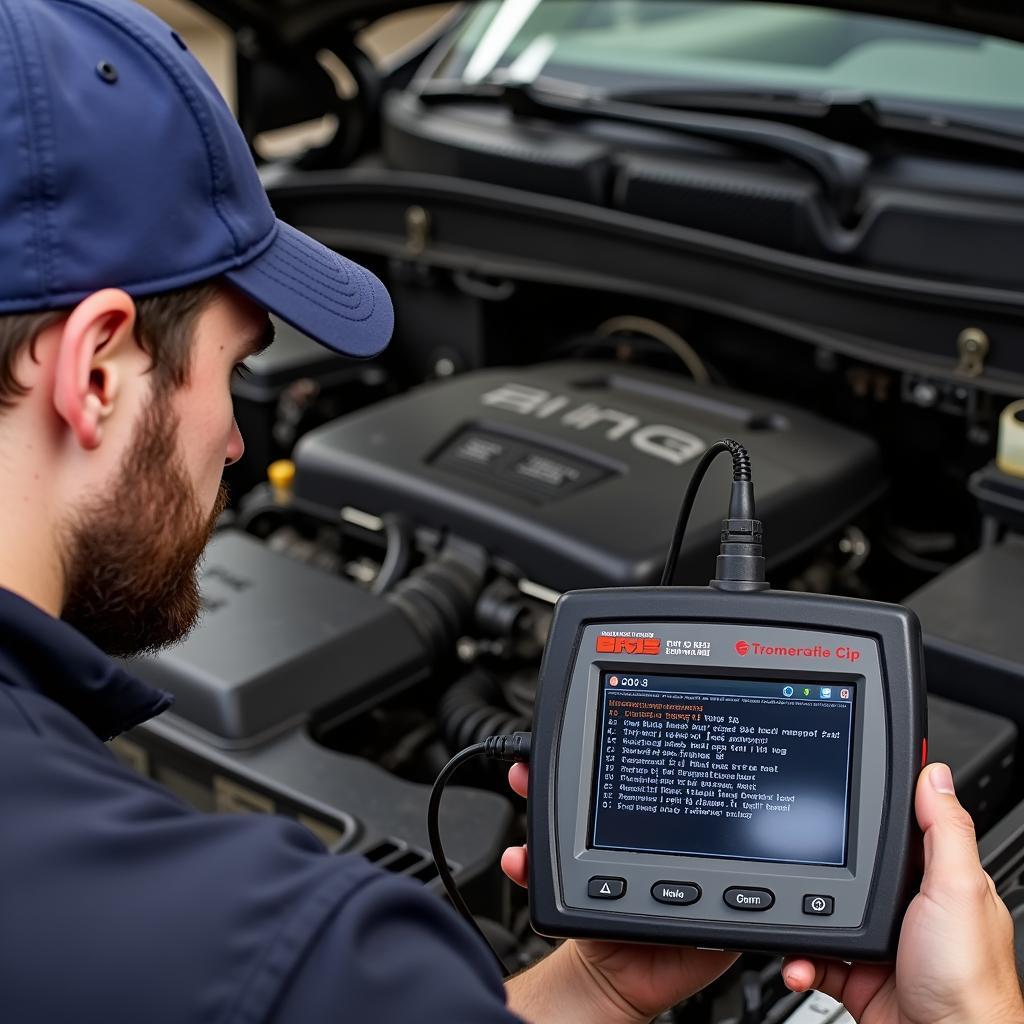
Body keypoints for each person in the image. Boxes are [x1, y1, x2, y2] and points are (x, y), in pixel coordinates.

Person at [0, 1, 1019, 1022]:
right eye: (236, 366)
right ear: (94, 371)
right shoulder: (285, 957)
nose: (235, 440)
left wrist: (592, 985)